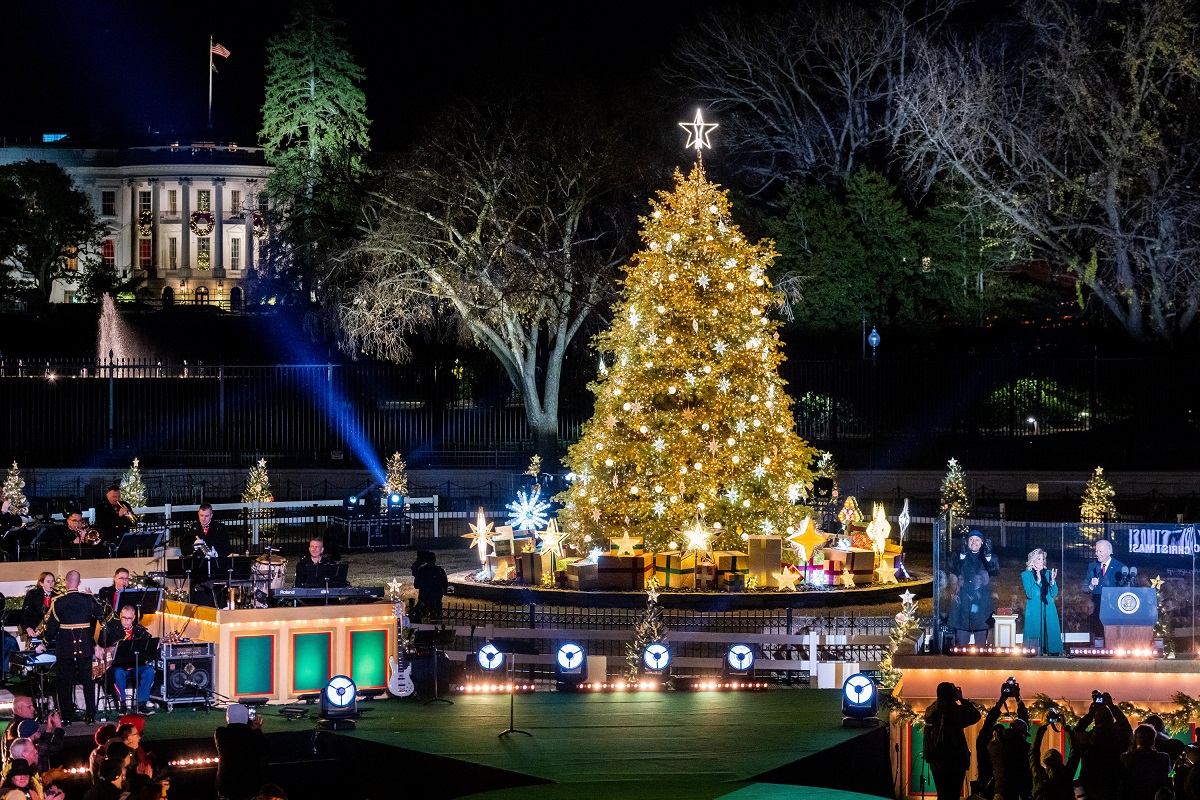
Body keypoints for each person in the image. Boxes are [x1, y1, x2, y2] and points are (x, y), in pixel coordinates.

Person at [39, 571, 104, 725]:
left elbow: (52, 628)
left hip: (65, 647)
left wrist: (44, 642)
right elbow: (100, 616)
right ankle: (90, 717)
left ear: (67, 583)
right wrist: (97, 644)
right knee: (88, 681)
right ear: (79, 583)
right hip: (85, 646)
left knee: (64, 683)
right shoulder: (89, 600)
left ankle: (67, 718)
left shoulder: (58, 602)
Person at [923, 681, 982, 800]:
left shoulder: (931, 710)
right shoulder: (953, 710)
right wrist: (962, 699)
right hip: (954, 761)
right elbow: (975, 716)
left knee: (942, 795)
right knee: (953, 795)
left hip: (936, 760)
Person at [975, 680, 1029, 799]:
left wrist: (1000, 701)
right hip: (1016, 792)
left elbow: (985, 729)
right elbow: (1024, 726)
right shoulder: (1019, 746)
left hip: (990, 791)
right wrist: (1018, 698)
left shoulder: (989, 747)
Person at [98, 606, 157, 715]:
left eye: (129, 618)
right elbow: (100, 645)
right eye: (124, 618)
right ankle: (123, 704)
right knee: (118, 673)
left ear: (134, 618)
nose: (126, 621)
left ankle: (141, 704)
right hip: (118, 666)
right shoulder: (111, 628)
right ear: (120, 616)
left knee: (149, 671)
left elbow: (149, 645)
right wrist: (109, 648)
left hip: (136, 665)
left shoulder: (139, 630)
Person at [1077, 692, 1134, 800]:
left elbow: (1078, 731)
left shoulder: (1089, 739)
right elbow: (1125, 726)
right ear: (1111, 719)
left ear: (1095, 720)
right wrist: (1111, 706)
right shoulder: (1118, 738)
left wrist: (1090, 715)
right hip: (1113, 786)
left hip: (1092, 787)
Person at [948, 531, 1000, 646]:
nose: (974, 542)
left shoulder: (988, 557)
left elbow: (994, 571)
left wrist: (988, 556)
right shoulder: (960, 556)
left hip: (982, 606)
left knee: (981, 644)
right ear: (967, 542)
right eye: (971, 539)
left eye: (977, 539)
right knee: (961, 643)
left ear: (982, 542)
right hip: (964, 606)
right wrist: (962, 556)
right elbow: (954, 569)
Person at [215, 703, 267, 800]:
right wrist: (258, 730)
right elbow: (266, 750)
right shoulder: (253, 735)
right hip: (249, 789)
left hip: (227, 788)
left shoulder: (221, 733)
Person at [1084, 539, 1127, 645]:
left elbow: (1125, 589)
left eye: (1100, 551)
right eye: (1096, 551)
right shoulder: (1092, 566)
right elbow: (1085, 588)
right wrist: (1091, 585)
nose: (1097, 554)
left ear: (1109, 551)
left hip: (1113, 609)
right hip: (1096, 608)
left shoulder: (1120, 567)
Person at [1023, 549, 1063, 655]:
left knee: (1050, 631)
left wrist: (1053, 581)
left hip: (1049, 608)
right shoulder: (1026, 575)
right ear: (1033, 561)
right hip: (1034, 610)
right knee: (1034, 636)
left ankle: (1053, 653)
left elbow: (1053, 593)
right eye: (1039, 559)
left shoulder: (1049, 573)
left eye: (1043, 559)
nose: (1041, 561)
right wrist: (1038, 582)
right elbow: (1030, 594)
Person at [1031, 716, 1081, 800]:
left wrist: (1043, 727)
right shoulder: (1066, 774)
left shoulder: (1039, 775)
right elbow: (1075, 751)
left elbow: (1033, 752)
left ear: (1045, 760)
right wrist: (1066, 728)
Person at [3, 698, 61, 770]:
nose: (33, 709)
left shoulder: (15, 725)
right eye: (29, 707)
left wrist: (48, 729)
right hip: (26, 774)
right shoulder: (18, 726)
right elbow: (46, 748)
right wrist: (58, 727)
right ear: (19, 709)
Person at [411, 551, 448, 622]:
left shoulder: (422, 571)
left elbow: (416, 584)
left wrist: (419, 562)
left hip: (424, 598)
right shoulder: (440, 571)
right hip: (435, 598)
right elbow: (445, 585)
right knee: (435, 619)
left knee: (417, 616)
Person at [20, 574, 56, 641]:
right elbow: (24, 614)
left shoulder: (57, 596)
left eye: (52, 581)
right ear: (41, 583)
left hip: (52, 632)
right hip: (35, 630)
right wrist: (28, 628)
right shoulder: (33, 595)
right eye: (48, 581)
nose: (51, 584)